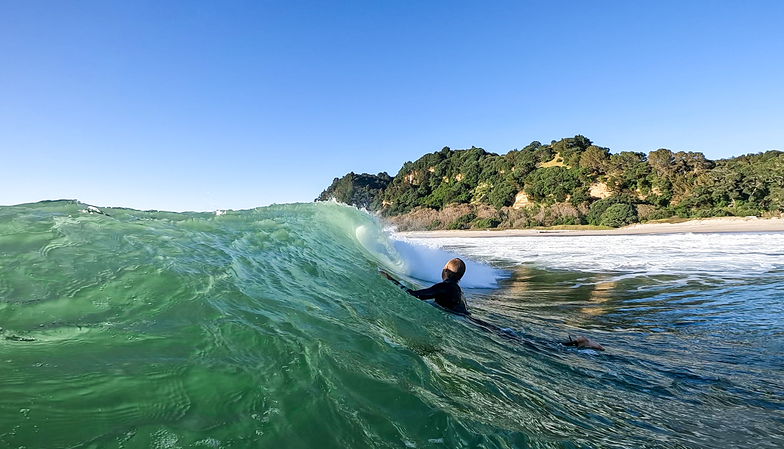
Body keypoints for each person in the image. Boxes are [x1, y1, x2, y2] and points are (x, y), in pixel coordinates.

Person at [379, 258, 470, 315]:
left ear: (445, 270)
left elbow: (413, 295)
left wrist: (390, 279)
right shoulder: (458, 290)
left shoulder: (443, 287)